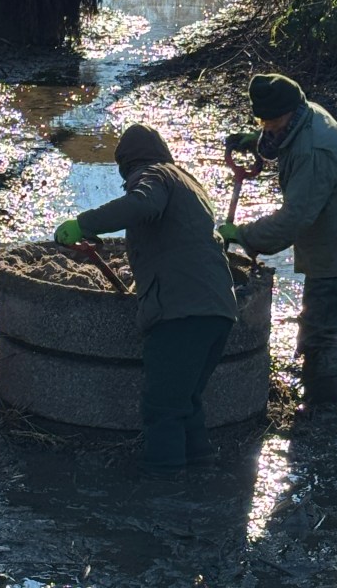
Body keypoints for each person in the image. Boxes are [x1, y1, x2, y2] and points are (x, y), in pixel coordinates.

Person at [54, 123, 238, 476]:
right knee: (186, 401)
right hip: (219, 309)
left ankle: (163, 491)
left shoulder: (153, 176)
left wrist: (84, 223)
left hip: (181, 313)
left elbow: (142, 203)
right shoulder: (188, 183)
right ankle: (202, 474)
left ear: (128, 166)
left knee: (162, 408)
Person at [218, 73, 337, 417]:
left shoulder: (315, 151)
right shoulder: (303, 115)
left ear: (291, 111)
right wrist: (255, 140)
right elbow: (280, 140)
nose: (268, 128)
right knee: (318, 321)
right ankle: (320, 392)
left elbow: (291, 222)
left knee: (322, 331)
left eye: (273, 122)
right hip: (331, 242)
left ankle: (324, 409)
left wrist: (242, 235)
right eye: (262, 122)